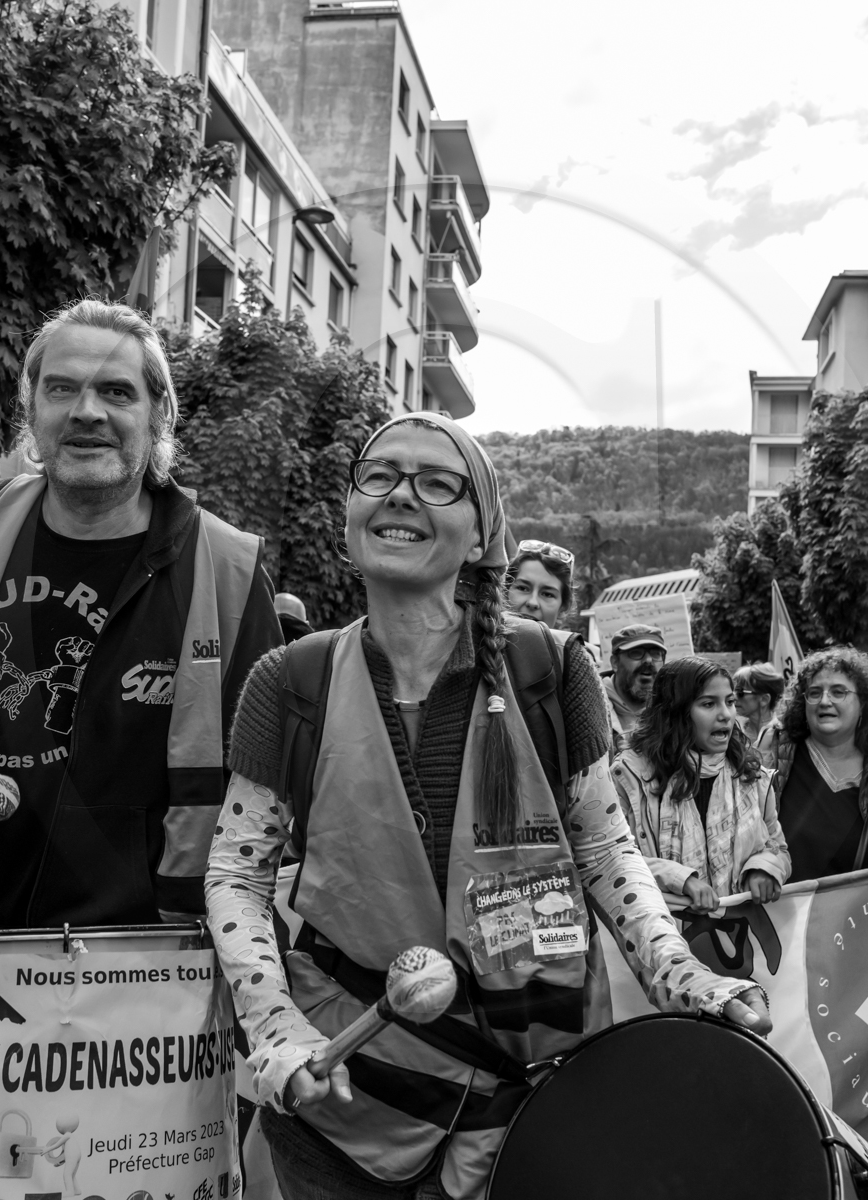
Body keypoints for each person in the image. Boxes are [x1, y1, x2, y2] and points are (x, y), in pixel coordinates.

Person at [206, 412, 770, 1200]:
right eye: (379, 476)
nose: (401, 495)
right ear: (350, 513)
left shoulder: (552, 669)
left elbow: (606, 853)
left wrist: (680, 973)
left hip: (529, 1110)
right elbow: (237, 871)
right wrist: (275, 1026)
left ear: (481, 536)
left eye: (437, 483)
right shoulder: (287, 682)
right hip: (344, 1105)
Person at [0, 299, 283, 930]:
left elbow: (268, 782)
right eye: (62, 388)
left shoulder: (230, 573)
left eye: (115, 391)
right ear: (32, 410)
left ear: (158, 414)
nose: (87, 411)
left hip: (155, 965)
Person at [612, 657, 789, 913]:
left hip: (737, 941)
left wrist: (764, 869)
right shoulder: (629, 776)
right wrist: (679, 879)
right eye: (708, 704)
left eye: (729, 702)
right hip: (663, 936)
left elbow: (777, 847)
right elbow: (613, 858)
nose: (725, 715)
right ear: (675, 711)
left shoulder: (752, 776)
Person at [771, 647, 868, 883]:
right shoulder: (772, 758)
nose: (825, 701)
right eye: (814, 693)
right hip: (782, 915)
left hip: (865, 916)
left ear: (863, 703)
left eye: (838, 692)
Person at [603, 624, 667, 754]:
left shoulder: (673, 711)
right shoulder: (591, 707)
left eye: (656, 654)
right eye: (636, 653)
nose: (648, 660)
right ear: (615, 662)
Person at [731, 661, 785, 768]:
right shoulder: (733, 731)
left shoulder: (783, 735)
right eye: (733, 691)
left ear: (764, 699)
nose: (733, 697)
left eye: (740, 692)